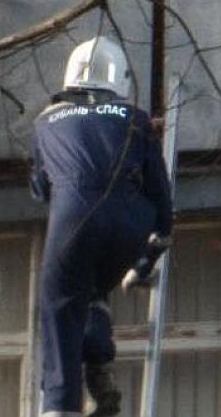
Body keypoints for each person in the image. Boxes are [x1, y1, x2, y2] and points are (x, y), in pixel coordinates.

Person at [29, 37, 174, 417]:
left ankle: (61, 406)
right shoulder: (136, 119)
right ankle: (99, 367)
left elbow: (40, 187)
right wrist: (152, 250)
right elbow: (160, 190)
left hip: (73, 218)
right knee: (91, 290)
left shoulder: (46, 120)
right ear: (119, 78)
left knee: (60, 303)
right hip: (129, 223)